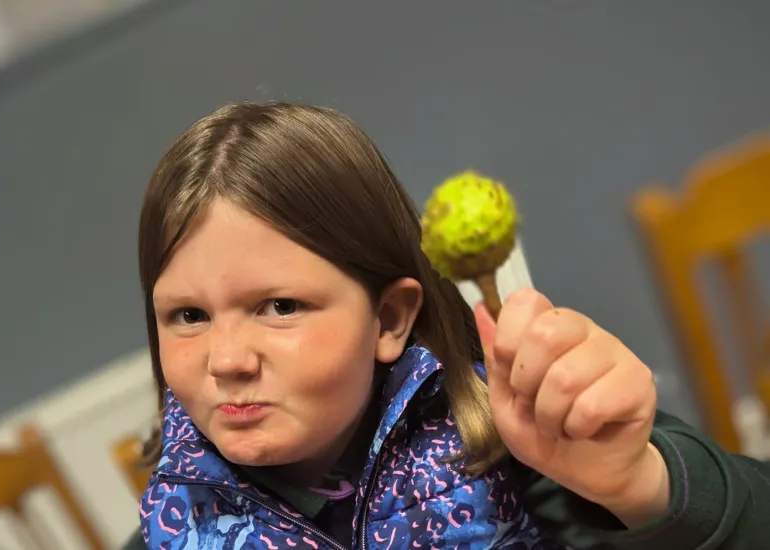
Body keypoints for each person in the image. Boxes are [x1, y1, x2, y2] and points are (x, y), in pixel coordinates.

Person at [129, 101, 769, 550]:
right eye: (188, 316)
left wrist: (640, 484)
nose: (228, 359)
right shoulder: (169, 524)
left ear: (388, 318)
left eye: (280, 307)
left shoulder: (513, 434)